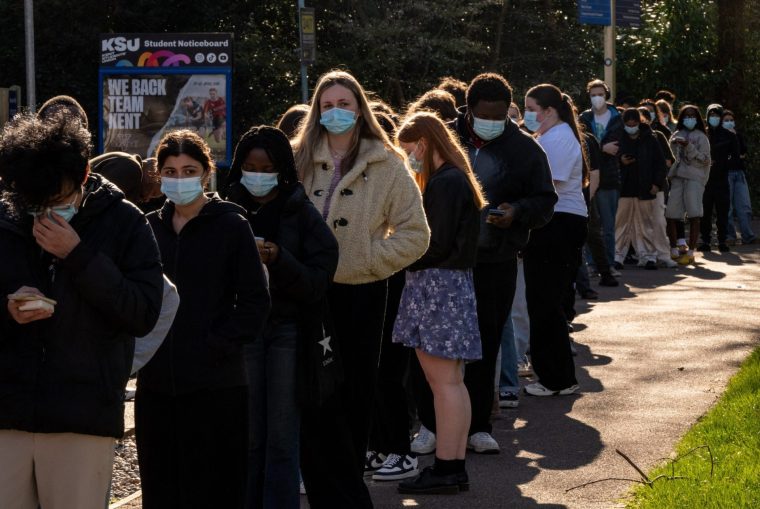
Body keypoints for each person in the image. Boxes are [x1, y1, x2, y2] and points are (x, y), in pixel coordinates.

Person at [0, 113, 164, 509]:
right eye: (35, 205)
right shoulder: (7, 215)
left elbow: (143, 311)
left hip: (83, 415)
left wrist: (78, 255)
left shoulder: (125, 221)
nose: (46, 214)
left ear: (85, 174)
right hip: (8, 412)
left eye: (58, 202)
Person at [293, 70, 429, 509]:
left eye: (344, 105)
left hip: (363, 293)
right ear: (317, 111)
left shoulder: (387, 162)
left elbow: (415, 232)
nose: (336, 113)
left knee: (354, 391)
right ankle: (317, 484)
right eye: (327, 106)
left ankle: (349, 485)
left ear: (360, 109)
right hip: (308, 292)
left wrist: (371, 260)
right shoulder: (297, 158)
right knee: (311, 392)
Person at [136, 129, 270, 509]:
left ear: (207, 174)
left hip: (217, 387)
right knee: (161, 491)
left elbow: (255, 303)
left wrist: (215, 344)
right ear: (159, 176)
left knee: (216, 491)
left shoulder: (232, 226)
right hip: (157, 387)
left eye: (189, 169)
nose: (179, 179)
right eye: (171, 171)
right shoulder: (147, 227)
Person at [224, 125, 339, 509]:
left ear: (282, 169)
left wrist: (278, 258)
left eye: (266, 166)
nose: (257, 174)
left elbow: (318, 280)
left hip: (289, 331)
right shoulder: (228, 209)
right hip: (245, 332)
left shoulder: (301, 211)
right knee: (249, 435)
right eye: (250, 166)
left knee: (281, 437)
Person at [440, 73, 556, 453]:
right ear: (469, 109)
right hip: (445, 260)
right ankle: (432, 424)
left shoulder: (525, 149)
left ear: (508, 111)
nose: (490, 123)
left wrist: (518, 211)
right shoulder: (444, 138)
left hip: (497, 259)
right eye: (482, 115)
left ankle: (477, 426)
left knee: (486, 341)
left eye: (498, 116)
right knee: (439, 344)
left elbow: (545, 200)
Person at [392, 112, 485, 494]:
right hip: (448, 285)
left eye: (409, 149)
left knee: (443, 382)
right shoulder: (455, 179)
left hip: (437, 286)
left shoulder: (445, 183)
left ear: (425, 143)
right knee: (450, 381)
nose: (408, 157)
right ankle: (453, 463)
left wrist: (394, 252)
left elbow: (435, 243)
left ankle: (447, 466)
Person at [522, 84, 587, 396]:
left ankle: (556, 378)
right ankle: (552, 374)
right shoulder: (550, 136)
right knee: (544, 301)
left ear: (549, 111)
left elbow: (550, 184)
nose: (527, 115)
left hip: (559, 222)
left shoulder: (558, 138)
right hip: (555, 222)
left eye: (531, 108)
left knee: (547, 302)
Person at [614, 108, 668, 270]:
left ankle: (648, 257)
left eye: (634, 123)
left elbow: (660, 164)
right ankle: (617, 256)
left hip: (645, 189)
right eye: (628, 123)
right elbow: (609, 162)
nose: (631, 126)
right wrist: (620, 161)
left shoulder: (651, 139)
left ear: (639, 122)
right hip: (624, 189)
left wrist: (657, 184)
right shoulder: (618, 138)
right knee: (620, 224)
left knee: (646, 225)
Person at [579, 79, 624, 273]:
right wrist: (602, 147)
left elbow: (621, 146)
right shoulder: (584, 118)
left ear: (606, 95)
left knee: (608, 225)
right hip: (589, 176)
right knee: (589, 224)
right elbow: (582, 144)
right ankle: (591, 263)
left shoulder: (617, 117)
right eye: (593, 94)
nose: (597, 98)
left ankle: (608, 263)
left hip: (610, 177)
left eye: (600, 94)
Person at [665, 106, 711, 265]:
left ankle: (691, 252)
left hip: (695, 179)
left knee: (694, 215)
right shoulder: (676, 135)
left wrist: (688, 147)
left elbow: (705, 160)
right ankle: (673, 249)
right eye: (686, 116)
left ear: (697, 118)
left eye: (692, 116)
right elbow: (671, 157)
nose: (689, 119)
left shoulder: (702, 137)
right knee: (670, 214)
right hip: (677, 177)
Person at [699, 104, 731, 252]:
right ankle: (705, 240)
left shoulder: (729, 135)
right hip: (705, 180)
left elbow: (736, 158)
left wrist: (722, 163)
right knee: (704, 212)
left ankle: (722, 240)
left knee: (722, 212)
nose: (714, 118)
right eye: (711, 115)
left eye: (717, 115)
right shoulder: (702, 135)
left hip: (722, 179)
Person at [722, 112, 756, 244]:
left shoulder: (738, 135)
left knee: (745, 206)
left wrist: (734, 138)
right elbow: (726, 155)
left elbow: (743, 153)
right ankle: (730, 236)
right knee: (727, 208)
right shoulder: (719, 137)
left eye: (731, 119)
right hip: (726, 174)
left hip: (739, 174)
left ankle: (748, 235)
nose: (729, 122)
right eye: (726, 120)